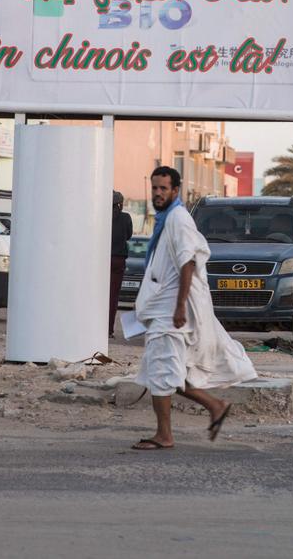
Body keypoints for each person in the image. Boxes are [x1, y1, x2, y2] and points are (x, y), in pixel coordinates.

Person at [131, 166, 256, 450]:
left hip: (171, 313)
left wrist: (179, 307)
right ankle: (215, 405)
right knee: (166, 372)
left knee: (162, 374)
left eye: (163, 188)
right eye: (154, 188)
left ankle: (165, 435)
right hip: (163, 310)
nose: (158, 193)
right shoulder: (166, 219)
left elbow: (188, 262)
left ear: (175, 190)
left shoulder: (178, 219)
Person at [109, 190, 134, 337]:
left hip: (103, 259)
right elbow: (129, 235)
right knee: (113, 296)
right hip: (118, 259)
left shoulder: (103, 217)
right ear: (120, 204)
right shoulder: (126, 218)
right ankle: (109, 330)